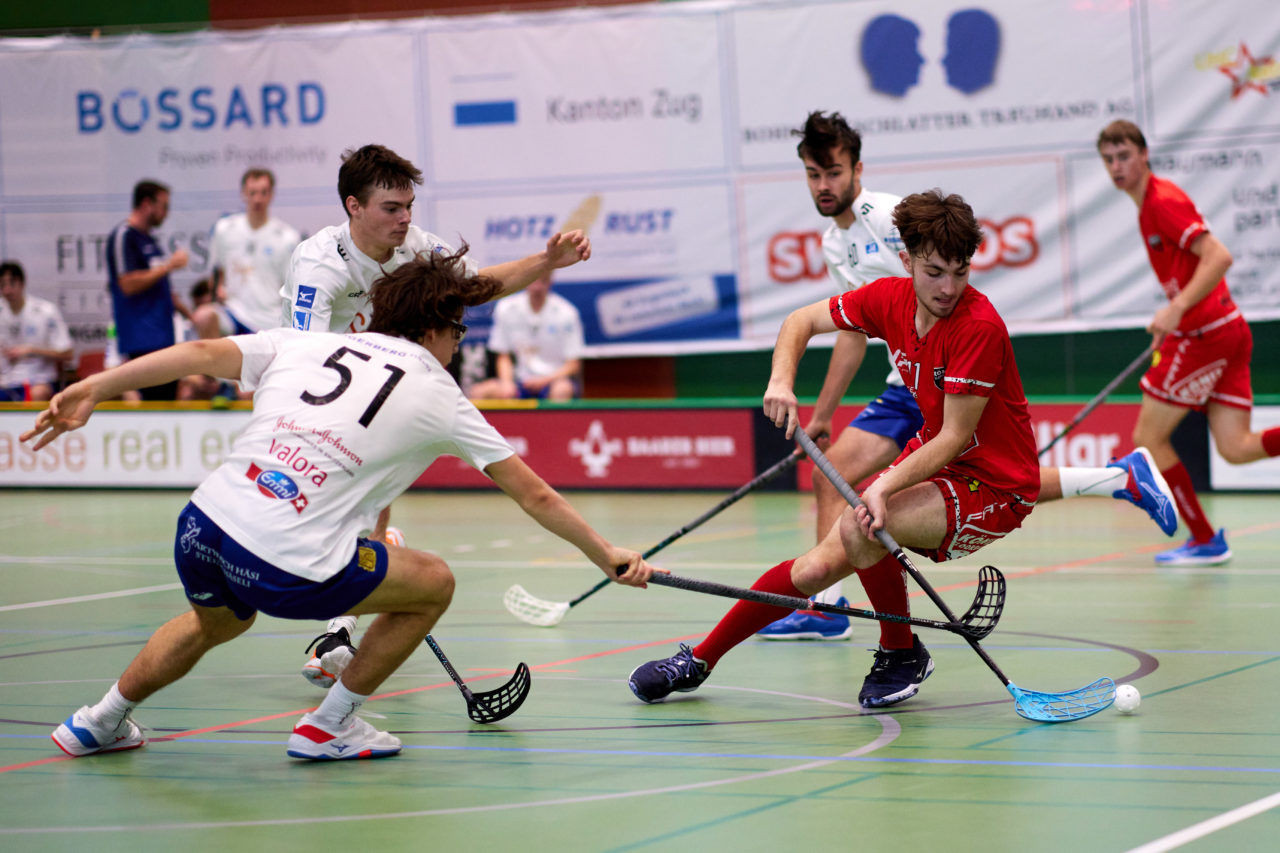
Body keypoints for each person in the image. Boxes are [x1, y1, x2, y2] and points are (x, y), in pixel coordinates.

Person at [26, 248, 659, 762]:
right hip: (284, 561)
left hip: (201, 526)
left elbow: (196, 355)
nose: (458, 345)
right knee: (433, 583)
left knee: (215, 622)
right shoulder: (440, 392)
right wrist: (606, 554)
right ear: (434, 329)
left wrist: (95, 387)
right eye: (459, 331)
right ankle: (329, 726)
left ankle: (98, 721)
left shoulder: (305, 344)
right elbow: (535, 493)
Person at [629, 189, 1163, 711]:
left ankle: (900, 652)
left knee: (859, 524)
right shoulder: (888, 299)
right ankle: (699, 661)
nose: (948, 288)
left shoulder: (978, 327)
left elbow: (954, 436)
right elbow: (800, 322)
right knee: (814, 571)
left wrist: (882, 486)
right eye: (934, 272)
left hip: (993, 487)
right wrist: (781, 381)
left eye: (960, 272)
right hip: (946, 463)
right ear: (907, 261)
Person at [757, 112, 1177, 643]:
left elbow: (943, 282)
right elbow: (853, 333)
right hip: (905, 383)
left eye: (834, 172)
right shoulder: (833, 245)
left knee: (984, 477)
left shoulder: (888, 219)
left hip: (943, 375)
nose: (824, 185)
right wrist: (822, 414)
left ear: (856, 170)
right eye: (814, 175)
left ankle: (829, 607)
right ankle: (1117, 478)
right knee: (871, 477)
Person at [282, 144, 594, 687]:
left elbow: (477, 286)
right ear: (354, 206)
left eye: (409, 206)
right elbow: (302, 355)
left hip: (384, 386)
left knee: (367, 502)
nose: (405, 218)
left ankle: (339, 630)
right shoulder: (319, 264)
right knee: (328, 526)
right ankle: (372, 573)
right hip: (323, 386)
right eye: (391, 208)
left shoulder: (418, 246)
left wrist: (546, 261)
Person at [1097, 120, 1280, 567]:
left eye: (1124, 156)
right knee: (1236, 448)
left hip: (1206, 336)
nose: (1117, 166)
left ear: (1144, 155)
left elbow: (1219, 256)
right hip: (1226, 329)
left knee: (1147, 438)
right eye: (1109, 159)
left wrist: (1177, 310)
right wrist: (1174, 313)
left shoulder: (1162, 201)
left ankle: (1203, 538)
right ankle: (1206, 541)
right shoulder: (1147, 206)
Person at [106, 180, 192, 400]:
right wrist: (169, 266)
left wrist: (191, 316)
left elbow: (161, 288)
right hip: (141, 339)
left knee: (167, 402)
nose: (166, 213)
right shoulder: (124, 236)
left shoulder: (150, 240)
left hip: (163, 338)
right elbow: (127, 284)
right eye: (164, 206)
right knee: (151, 406)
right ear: (146, 204)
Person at [468, 272, 584, 401]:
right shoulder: (506, 307)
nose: (537, 287)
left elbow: (573, 364)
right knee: (479, 392)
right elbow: (503, 355)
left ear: (550, 282)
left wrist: (544, 380)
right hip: (521, 381)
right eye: (534, 280)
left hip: (553, 380)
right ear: (526, 281)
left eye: (543, 281)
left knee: (562, 389)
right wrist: (507, 382)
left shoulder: (567, 312)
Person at [0, 261, 73, 402]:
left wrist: (31, 350)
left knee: (38, 393)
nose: (7, 290)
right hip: (5, 381)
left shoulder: (45, 311)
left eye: (11, 284)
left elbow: (68, 353)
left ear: (22, 283)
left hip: (37, 380)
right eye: (2, 285)